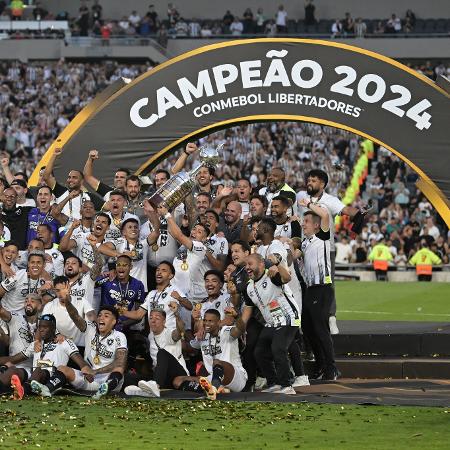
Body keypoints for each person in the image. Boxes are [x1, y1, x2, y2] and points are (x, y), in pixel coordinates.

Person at [297, 169, 360, 334]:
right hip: (304, 248)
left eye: (314, 180)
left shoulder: (330, 200)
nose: (310, 182)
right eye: (309, 179)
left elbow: (348, 211)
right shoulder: (300, 196)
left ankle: (331, 318)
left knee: (327, 284)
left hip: (325, 250)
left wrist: (359, 213)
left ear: (322, 184)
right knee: (303, 283)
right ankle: (305, 319)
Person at [32, 300, 127, 400]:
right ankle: (46, 389)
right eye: (99, 315)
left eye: (106, 316)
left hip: (109, 380)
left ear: (114, 321)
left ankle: (105, 389)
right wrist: (67, 301)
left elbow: (120, 362)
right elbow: (75, 316)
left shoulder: (119, 336)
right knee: (62, 368)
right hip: (90, 379)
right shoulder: (91, 328)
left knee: (119, 368)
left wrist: (96, 372)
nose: (101, 318)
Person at [242, 253, 301, 394]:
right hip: (271, 323)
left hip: (288, 318)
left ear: (261, 264)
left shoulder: (272, 274)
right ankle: (274, 382)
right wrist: (241, 328)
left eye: (250, 264)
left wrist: (278, 264)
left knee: (278, 349)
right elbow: (247, 311)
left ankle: (287, 386)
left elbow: (287, 278)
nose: (247, 268)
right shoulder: (248, 288)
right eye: (245, 265)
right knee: (259, 352)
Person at [0, 314, 86, 400]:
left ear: (53, 328)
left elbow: (80, 361)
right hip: (34, 374)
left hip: (52, 376)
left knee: (39, 370)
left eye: (45, 327)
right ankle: (3, 390)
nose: (41, 329)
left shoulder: (64, 342)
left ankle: (23, 390)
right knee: (13, 370)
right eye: (39, 327)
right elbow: (13, 359)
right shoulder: (35, 344)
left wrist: (86, 369)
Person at [298, 199, 338, 381]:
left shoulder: (322, 237)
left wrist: (307, 204)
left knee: (320, 329)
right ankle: (321, 364)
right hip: (310, 290)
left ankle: (331, 368)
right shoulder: (305, 244)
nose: (303, 224)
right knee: (308, 328)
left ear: (316, 226)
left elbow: (325, 215)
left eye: (306, 222)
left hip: (322, 288)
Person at [125, 307, 195, 398]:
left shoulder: (169, 333)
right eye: (151, 318)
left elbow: (180, 330)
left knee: (162, 353)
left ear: (164, 322)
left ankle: (156, 386)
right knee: (128, 377)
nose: (153, 320)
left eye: (157, 318)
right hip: (162, 377)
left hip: (178, 374)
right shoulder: (151, 336)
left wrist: (177, 315)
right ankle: (146, 391)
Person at [193, 308, 247, 400]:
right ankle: (221, 390)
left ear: (219, 322)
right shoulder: (203, 336)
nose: (207, 323)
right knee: (179, 380)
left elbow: (240, 329)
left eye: (210, 321)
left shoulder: (227, 331)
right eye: (205, 320)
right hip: (215, 378)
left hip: (236, 377)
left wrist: (237, 317)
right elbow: (190, 346)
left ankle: (212, 391)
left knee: (217, 362)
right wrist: (196, 322)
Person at [0, 293, 42, 395]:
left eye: (32, 301)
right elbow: (1, 311)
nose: (28, 303)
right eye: (26, 301)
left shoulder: (44, 323)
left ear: (40, 305)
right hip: (11, 364)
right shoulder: (15, 317)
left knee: (12, 372)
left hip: (31, 369)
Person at [43, 147, 101, 220]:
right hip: (64, 230)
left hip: (83, 229)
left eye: (74, 177)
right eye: (69, 177)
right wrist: (54, 155)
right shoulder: (61, 192)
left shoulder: (89, 196)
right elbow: (46, 177)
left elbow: (107, 207)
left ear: (81, 181)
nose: (70, 180)